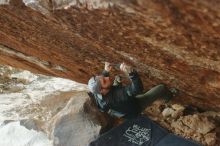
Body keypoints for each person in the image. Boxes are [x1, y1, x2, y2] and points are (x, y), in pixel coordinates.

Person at [88, 62, 178, 119]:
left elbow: (102, 81)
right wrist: (132, 73)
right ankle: (169, 97)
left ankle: (117, 83)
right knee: (161, 88)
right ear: (102, 91)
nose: (107, 78)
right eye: (104, 81)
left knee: (117, 81)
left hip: (123, 107)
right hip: (136, 106)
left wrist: (105, 71)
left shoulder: (97, 93)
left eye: (103, 77)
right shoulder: (118, 96)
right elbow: (137, 89)